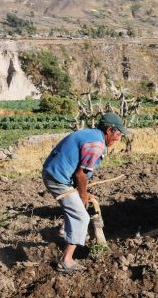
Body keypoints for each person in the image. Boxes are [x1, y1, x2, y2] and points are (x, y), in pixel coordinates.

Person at [42, 112, 129, 272]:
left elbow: (78, 172)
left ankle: (66, 230)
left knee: (77, 207)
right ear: (109, 130)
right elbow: (80, 174)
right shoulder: (96, 144)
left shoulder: (92, 135)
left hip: (56, 174)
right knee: (81, 216)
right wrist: (83, 195)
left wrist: (84, 192)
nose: (118, 138)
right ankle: (66, 260)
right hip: (57, 178)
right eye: (118, 134)